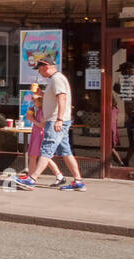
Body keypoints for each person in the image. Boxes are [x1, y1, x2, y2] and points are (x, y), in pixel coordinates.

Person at [15, 58, 85, 190]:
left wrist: (59, 119)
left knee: (46, 149)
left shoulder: (57, 79)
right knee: (66, 151)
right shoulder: (55, 79)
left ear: (45, 66)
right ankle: (78, 181)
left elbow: (62, 97)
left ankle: (32, 178)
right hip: (58, 120)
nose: (39, 73)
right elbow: (54, 97)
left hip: (55, 121)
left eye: (39, 69)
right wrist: (42, 94)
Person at [24, 90, 65, 185]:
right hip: (37, 134)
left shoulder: (43, 111)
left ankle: (58, 175)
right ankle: (31, 176)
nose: (33, 102)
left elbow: (43, 125)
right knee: (36, 156)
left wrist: (32, 119)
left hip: (40, 135)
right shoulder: (39, 110)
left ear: (40, 101)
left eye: (34, 100)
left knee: (41, 156)